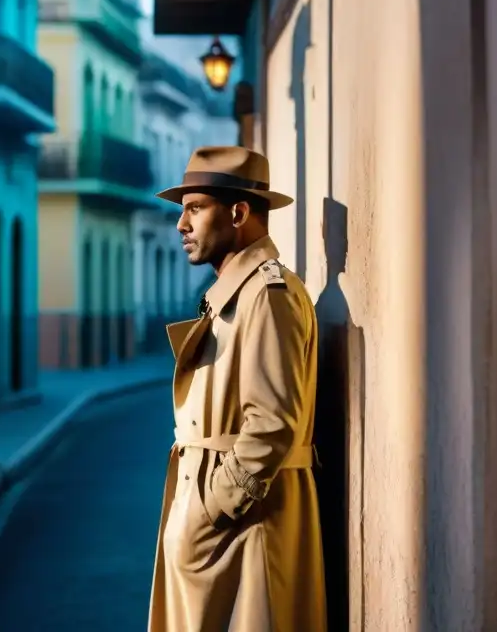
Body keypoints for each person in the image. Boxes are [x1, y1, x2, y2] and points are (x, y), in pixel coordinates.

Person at [147, 146, 326, 632]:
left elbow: (271, 426)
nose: (181, 225)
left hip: (245, 537)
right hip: (223, 539)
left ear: (238, 213)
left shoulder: (268, 296)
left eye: (195, 208)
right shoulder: (238, 292)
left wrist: (214, 508)